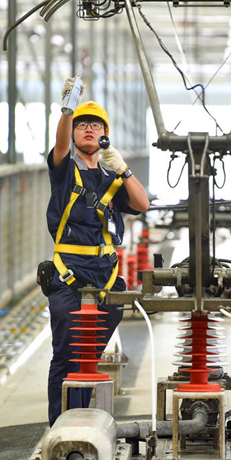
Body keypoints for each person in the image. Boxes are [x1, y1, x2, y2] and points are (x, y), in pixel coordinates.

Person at [44, 77, 150, 426]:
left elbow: (142, 203)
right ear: (74, 133)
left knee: (87, 351)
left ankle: (80, 412)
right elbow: (59, 145)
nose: (88, 129)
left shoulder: (111, 178)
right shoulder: (65, 169)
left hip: (106, 276)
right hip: (68, 273)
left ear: (105, 134)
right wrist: (68, 108)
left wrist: (123, 169)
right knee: (67, 353)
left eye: (95, 125)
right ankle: (62, 423)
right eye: (82, 125)